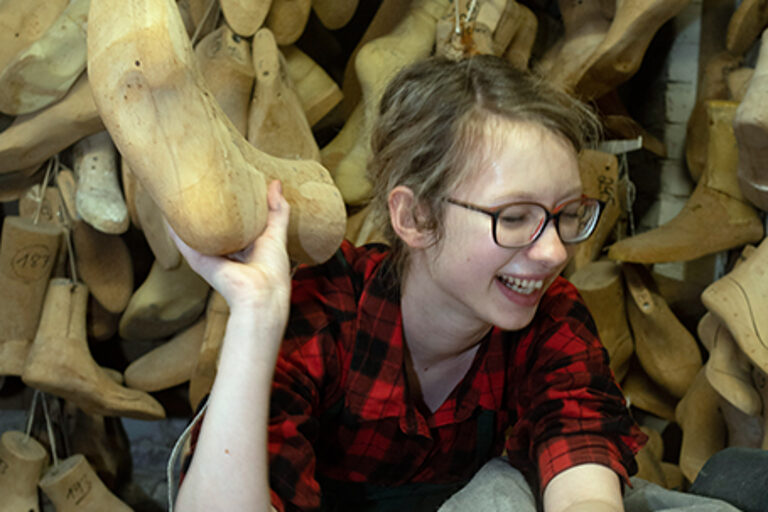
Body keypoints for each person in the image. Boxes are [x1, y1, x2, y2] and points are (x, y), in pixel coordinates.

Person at [169, 55, 736, 512]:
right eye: (513, 218)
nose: (554, 251)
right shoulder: (325, 309)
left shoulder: (549, 316)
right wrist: (257, 315)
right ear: (414, 217)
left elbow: (582, 478)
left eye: (565, 214)